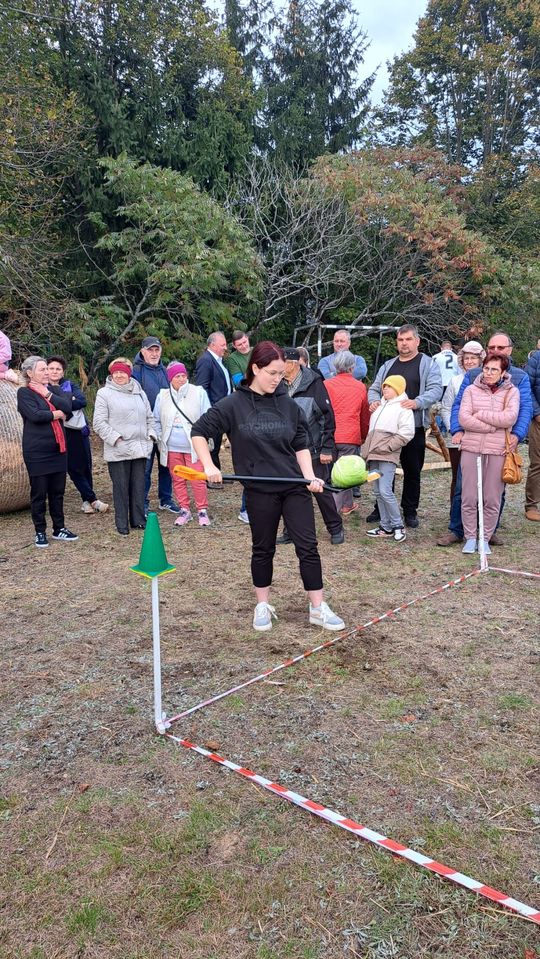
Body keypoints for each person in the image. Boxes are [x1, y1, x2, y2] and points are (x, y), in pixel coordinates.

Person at [190, 341, 345, 632]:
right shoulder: (234, 404)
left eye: (281, 374)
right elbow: (199, 431)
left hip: (294, 486)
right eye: (272, 373)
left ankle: (317, 607)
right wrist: (209, 466)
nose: (278, 379)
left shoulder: (286, 402)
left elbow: (300, 442)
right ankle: (262, 604)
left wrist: (310, 476)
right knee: (263, 549)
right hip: (259, 489)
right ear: (255, 369)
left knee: (308, 547)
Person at [438, 331, 533, 546]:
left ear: (509, 350)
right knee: (464, 488)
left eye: (501, 348)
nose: (496, 351)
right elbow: (459, 406)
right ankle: (458, 529)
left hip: (503, 443)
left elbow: (523, 409)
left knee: (495, 490)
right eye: (492, 348)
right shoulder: (472, 376)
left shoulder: (520, 377)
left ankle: (489, 531)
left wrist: (517, 435)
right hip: (472, 443)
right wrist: (457, 429)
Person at [368, 324, 443, 528]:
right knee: (382, 469)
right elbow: (374, 388)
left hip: (413, 427)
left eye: (408, 339)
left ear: (417, 341)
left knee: (412, 470)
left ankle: (409, 511)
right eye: (401, 340)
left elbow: (436, 389)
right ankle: (380, 506)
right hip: (385, 430)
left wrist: (417, 402)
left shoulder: (428, 364)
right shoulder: (388, 365)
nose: (404, 343)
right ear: (397, 342)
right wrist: (373, 400)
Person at [278, 347, 344, 545]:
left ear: (294, 363)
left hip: (312, 448)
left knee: (320, 490)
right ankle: (290, 531)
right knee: (290, 491)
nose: (279, 368)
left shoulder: (314, 383)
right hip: (286, 451)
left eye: (282, 364)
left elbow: (327, 418)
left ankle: (336, 528)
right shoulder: (278, 385)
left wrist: (326, 448)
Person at [458, 353, 519, 554]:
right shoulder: (470, 390)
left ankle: (484, 537)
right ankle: (470, 537)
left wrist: (482, 415)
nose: (489, 373)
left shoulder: (512, 392)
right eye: (486, 368)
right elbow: (464, 418)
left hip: (497, 450)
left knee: (492, 497)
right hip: (471, 448)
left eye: (494, 369)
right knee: (468, 496)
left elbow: (509, 418)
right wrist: (492, 427)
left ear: (503, 372)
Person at [17, 355, 78, 547]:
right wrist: (56, 414)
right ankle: (40, 531)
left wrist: (49, 395)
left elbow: (68, 407)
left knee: (57, 491)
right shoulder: (24, 393)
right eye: (42, 369)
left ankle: (59, 528)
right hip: (37, 451)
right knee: (39, 493)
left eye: (47, 369)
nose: (47, 372)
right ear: (30, 373)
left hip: (58, 449)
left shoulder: (54, 389)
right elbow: (35, 415)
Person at [93, 358, 157, 536]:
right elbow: (99, 422)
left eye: (122, 372)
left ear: (129, 374)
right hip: (119, 448)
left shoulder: (140, 393)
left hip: (140, 447)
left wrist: (151, 435)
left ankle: (138, 520)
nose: (119, 375)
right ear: (111, 375)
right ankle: (122, 524)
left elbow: (149, 417)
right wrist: (116, 438)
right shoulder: (104, 393)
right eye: (116, 372)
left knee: (138, 485)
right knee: (121, 488)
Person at [46, 356, 108, 515]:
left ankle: (86, 501)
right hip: (58, 431)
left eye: (58, 369)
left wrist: (61, 404)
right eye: (51, 368)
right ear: (46, 370)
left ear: (63, 372)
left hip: (77, 430)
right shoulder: (42, 387)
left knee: (85, 465)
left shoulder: (69, 384)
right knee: (72, 467)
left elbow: (81, 401)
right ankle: (92, 498)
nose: (54, 371)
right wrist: (67, 400)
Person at [153, 361, 212, 528]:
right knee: (178, 479)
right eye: (177, 376)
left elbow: (208, 416)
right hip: (172, 446)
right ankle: (184, 509)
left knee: (197, 479)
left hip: (194, 445)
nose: (181, 379)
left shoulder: (198, 392)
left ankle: (202, 510)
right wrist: (159, 436)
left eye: (183, 375)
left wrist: (203, 436)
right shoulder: (162, 395)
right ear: (170, 378)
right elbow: (156, 419)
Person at [362, 375, 415, 542]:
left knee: (385, 490)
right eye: (384, 386)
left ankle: (398, 525)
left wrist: (388, 446)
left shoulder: (403, 408)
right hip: (373, 455)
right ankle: (385, 526)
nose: (385, 389)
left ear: (398, 389)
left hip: (386, 455)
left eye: (389, 386)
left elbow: (407, 432)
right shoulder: (379, 406)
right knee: (377, 491)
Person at [132, 336, 180, 515]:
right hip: (144, 427)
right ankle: (142, 502)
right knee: (144, 468)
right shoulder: (135, 371)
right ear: (143, 351)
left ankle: (165, 499)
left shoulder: (165, 371)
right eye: (150, 350)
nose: (153, 353)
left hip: (166, 426)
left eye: (156, 350)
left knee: (166, 464)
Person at [323, 350, 370, 515]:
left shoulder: (326, 384)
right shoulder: (360, 387)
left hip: (329, 435)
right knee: (344, 474)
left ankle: (347, 504)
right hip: (350, 435)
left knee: (333, 473)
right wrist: (363, 435)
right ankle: (334, 511)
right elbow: (365, 415)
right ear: (352, 367)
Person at [440, 341, 486, 502]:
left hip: (481, 438)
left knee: (480, 479)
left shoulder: (488, 381)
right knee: (458, 478)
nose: (469, 361)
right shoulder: (455, 381)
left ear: (481, 360)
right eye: (466, 358)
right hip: (457, 439)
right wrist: (454, 429)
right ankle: (455, 514)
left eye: (473, 358)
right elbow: (446, 408)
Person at [224, 330, 252, 523]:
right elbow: (238, 381)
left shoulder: (256, 351)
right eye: (239, 344)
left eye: (245, 342)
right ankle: (245, 508)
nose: (243, 346)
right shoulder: (233, 359)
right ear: (234, 346)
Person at [194, 331, 233, 469]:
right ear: (212, 344)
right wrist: (210, 410)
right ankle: (212, 475)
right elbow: (202, 388)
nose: (225, 348)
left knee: (216, 444)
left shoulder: (220, 361)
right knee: (212, 444)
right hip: (214, 410)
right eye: (223, 345)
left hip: (223, 409)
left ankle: (217, 473)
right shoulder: (206, 360)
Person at [524, 348, 540, 522]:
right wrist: (536, 413)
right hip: (539, 421)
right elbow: (527, 386)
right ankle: (532, 505)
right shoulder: (537, 359)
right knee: (537, 464)